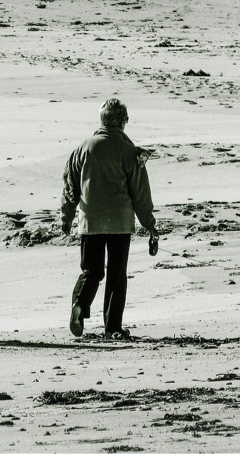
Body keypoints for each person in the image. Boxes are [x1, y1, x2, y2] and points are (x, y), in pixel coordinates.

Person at [61, 98, 159, 338]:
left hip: (90, 221)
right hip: (119, 222)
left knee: (91, 270)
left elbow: (70, 186)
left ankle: (80, 304)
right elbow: (140, 193)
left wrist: (66, 216)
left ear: (102, 121)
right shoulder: (129, 151)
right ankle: (112, 326)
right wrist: (150, 225)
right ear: (123, 122)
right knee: (116, 274)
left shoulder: (83, 148)